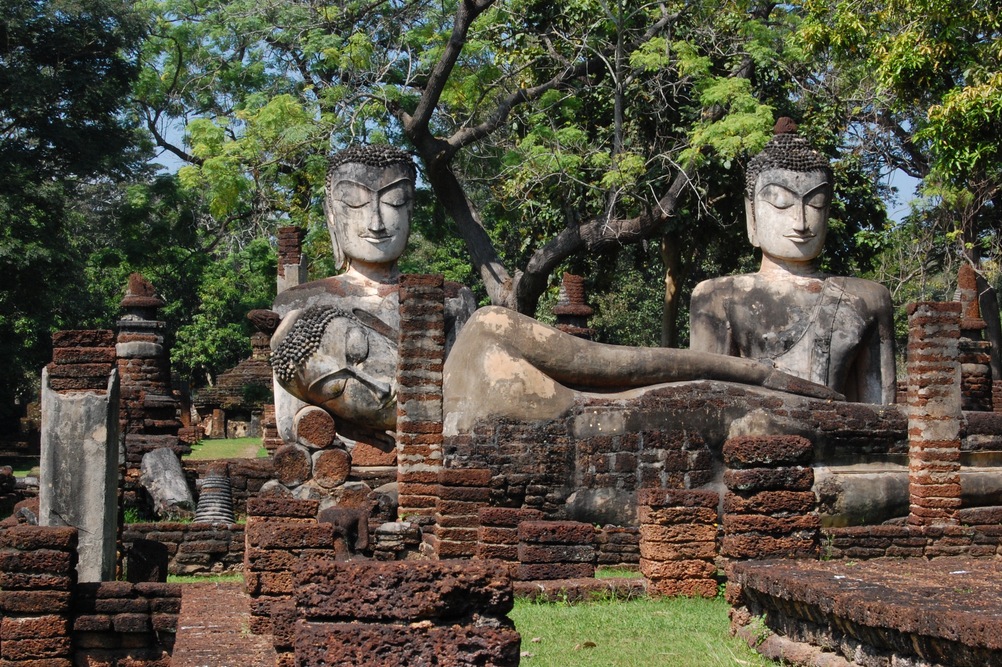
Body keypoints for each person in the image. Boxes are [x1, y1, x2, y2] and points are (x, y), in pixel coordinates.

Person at [268, 145, 474, 444]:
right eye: (354, 203)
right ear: (332, 214)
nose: (376, 223)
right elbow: (291, 421)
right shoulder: (299, 303)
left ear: (411, 208)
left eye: (394, 201)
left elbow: (463, 401)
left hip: (436, 448)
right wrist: (347, 430)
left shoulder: (452, 298)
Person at [689, 120, 895, 404]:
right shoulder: (718, 296)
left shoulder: (868, 298)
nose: (800, 222)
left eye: (815, 204)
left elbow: (881, 410)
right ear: (752, 215)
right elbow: (709, 403)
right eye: (781, 204)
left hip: (843, 440)